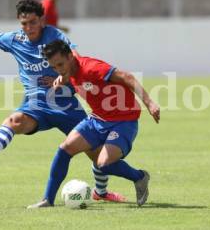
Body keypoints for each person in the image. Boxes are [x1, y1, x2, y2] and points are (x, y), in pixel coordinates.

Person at [0, 0, 126, 206]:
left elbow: (75, 60)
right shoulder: (15, 39)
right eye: (24, 24)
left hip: (66, 106)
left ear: (42, 20)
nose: (28, 28)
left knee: (97, 155)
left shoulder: (55, 36)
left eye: (33, 22)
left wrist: (61, 80)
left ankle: (101, 191)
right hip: (36, 105)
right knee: (14, 120)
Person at [28, 40, 160, 208]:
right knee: (65, 148)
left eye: (61, 64)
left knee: (103, 164)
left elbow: (127, 77)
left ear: (69, 57)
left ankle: (140, 177)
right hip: (97, 119)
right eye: (54, 67)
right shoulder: (69, 68)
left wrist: (150, 103)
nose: (58, 70)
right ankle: (48, 200)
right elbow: (71, 66)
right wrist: (62, 77)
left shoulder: (92, 68)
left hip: (123, 121)